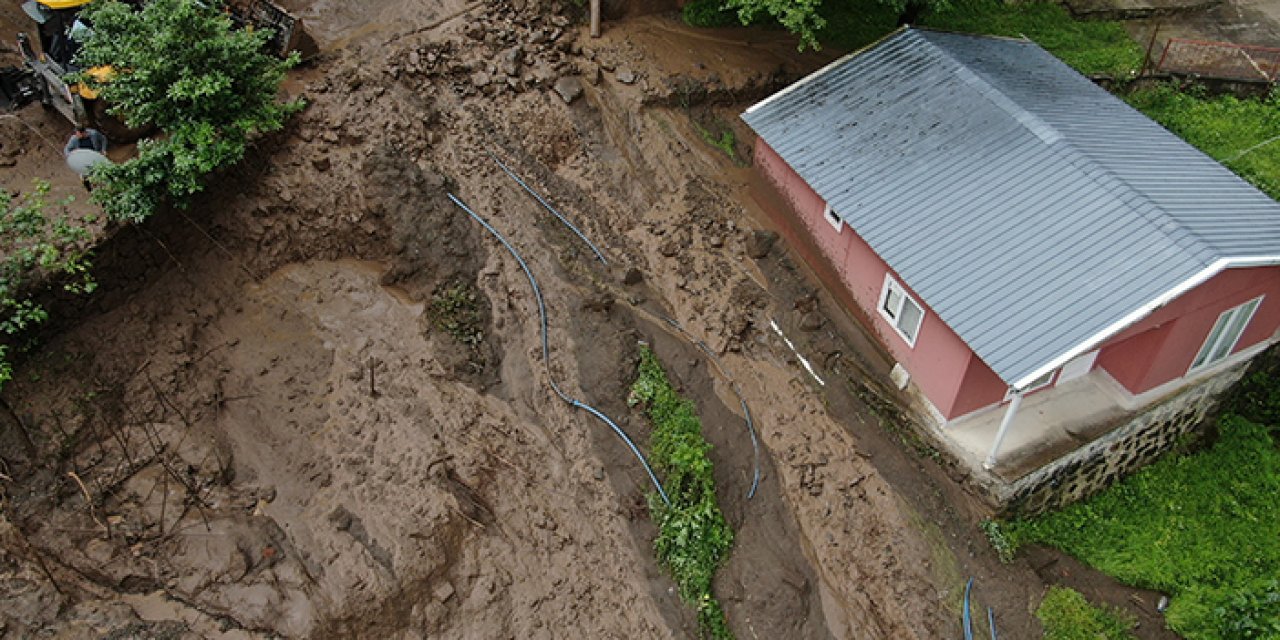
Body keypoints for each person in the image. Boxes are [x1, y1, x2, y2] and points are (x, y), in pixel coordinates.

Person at [64, 126, 107, 191]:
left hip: (94, 156)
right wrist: (71, 156)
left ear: (83, 132)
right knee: (84, 177)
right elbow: (66, 149)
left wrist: (103, 149)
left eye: (78, 134)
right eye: (76, 133)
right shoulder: (74, 139)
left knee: (100, 174)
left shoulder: (94, 134)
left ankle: (102, 187)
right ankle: (90, 190)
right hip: (83, 160)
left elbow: (103, 139)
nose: (76, 135)